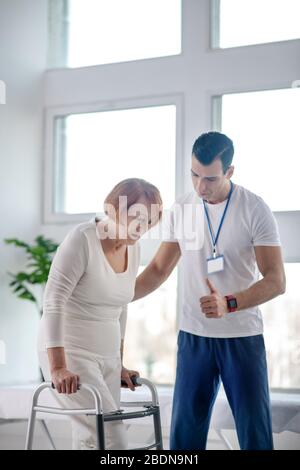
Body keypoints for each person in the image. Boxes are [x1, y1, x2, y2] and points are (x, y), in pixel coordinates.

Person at [133, 132, 286, 450]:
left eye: (211, 179)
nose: (200, 187)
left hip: (241, 338)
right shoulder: (182, 208)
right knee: (185, 438)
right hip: (193, 337)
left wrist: (229, 302)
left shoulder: (255, 209)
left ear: (230, 172)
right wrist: (117, 296)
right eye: (194, 175)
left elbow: (276, 280)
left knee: (255, 435)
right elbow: (160, 269)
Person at [37, 178, 162, 450]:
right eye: (136, 217)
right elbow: (53, 300)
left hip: (106, 357)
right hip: (70, 354)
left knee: (91, 439)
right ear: (115, 209)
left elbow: (121, 304)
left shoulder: (133, 246)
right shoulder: (82, 240)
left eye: (149, 221)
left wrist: (118, 363)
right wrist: (58, 367)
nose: (142, 227)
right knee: (112, 435)